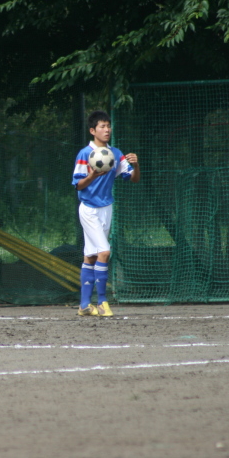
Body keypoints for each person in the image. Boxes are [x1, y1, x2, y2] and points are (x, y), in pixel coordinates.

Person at [72, 110, 140, 317]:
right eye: (102, 126)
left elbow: (133, 179)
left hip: (106, 208)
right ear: (93, 131)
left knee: (91, 255)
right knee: (104, 252)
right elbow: (78, 185)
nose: (107, 129)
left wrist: (136, 165)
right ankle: (102, 301)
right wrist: (92, 176)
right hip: (89, 209)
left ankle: (84, 305)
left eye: (108, 126)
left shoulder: (116, 153)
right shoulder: (85, 154)